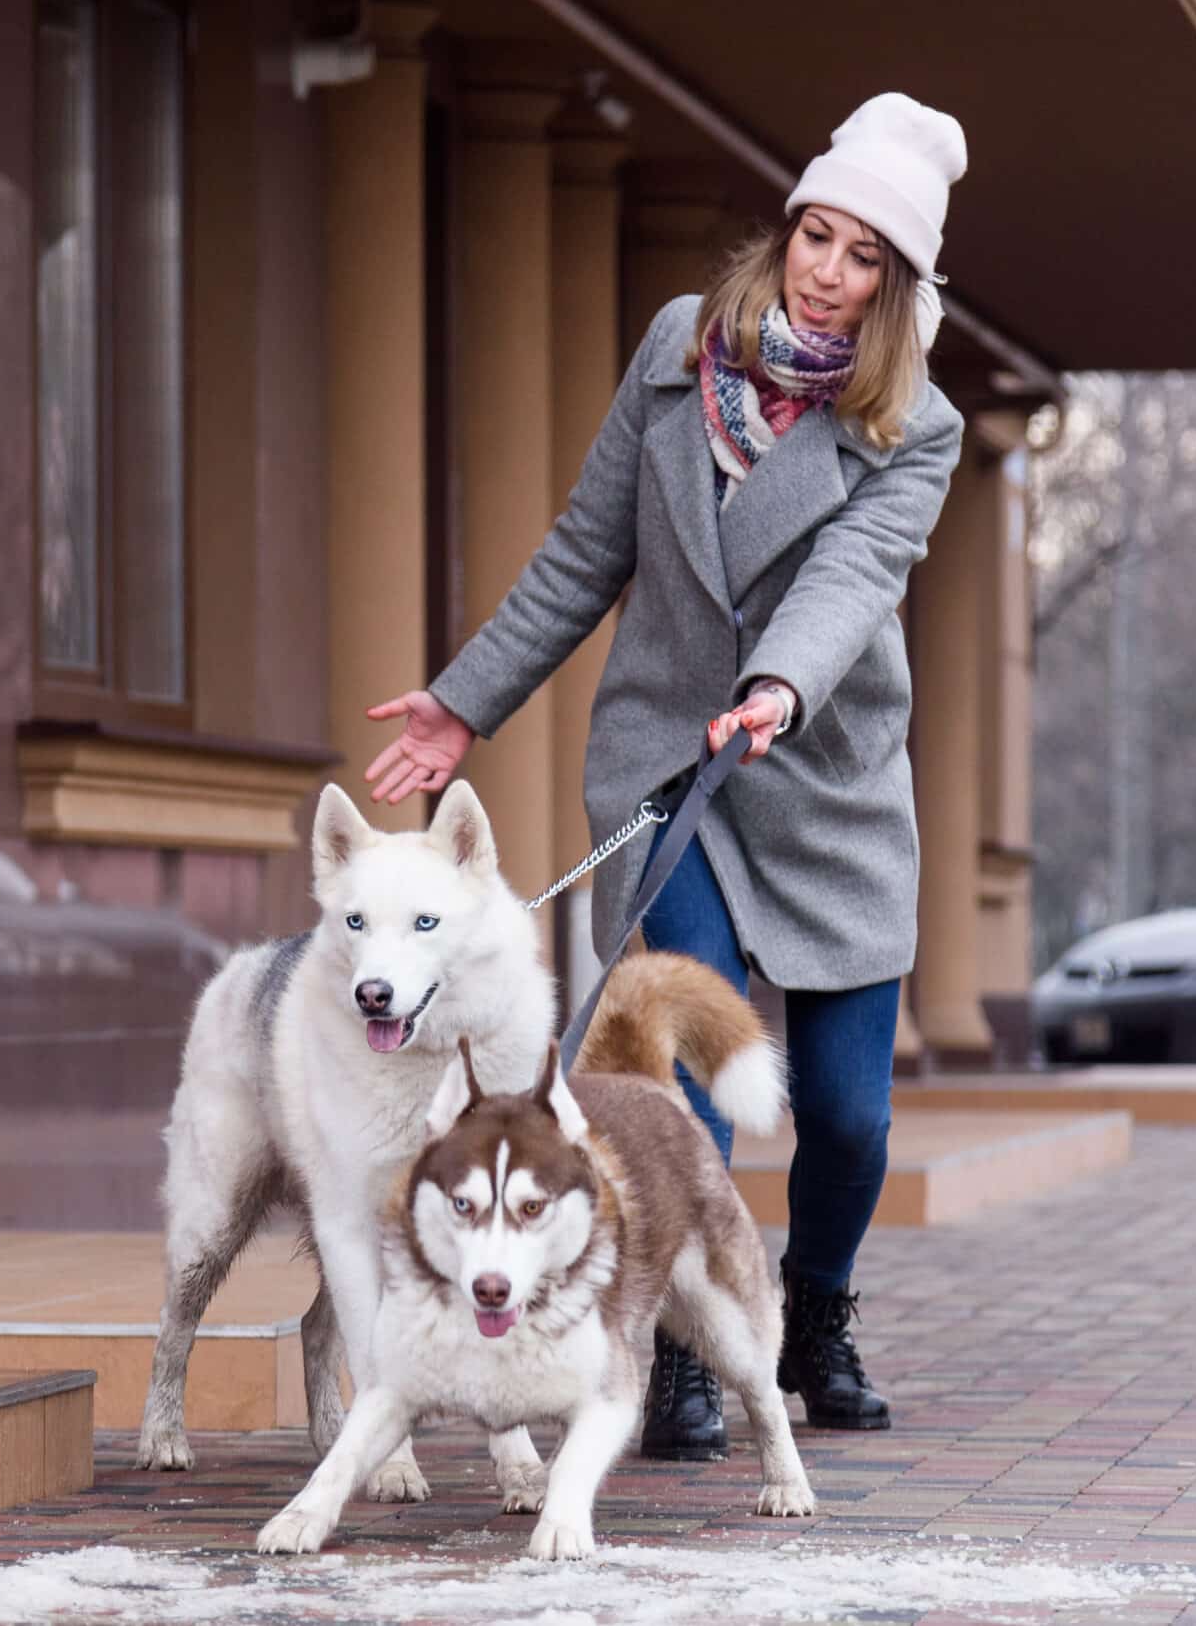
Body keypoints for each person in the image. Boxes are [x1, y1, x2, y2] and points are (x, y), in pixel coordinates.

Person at [364, 93, 969, 1462]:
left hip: (826, 782)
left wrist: (778, 689)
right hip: (666, 771)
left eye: (864, 252)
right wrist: (466, 706)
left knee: (852, 1118)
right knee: (672, 1083)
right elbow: (587, 553)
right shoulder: (674, 355)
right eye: (816, 232)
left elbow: (853, 576)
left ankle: (813, 1315)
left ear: (897, 286)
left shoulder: (912, 427)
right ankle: (682, 1337)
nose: (826, 266)